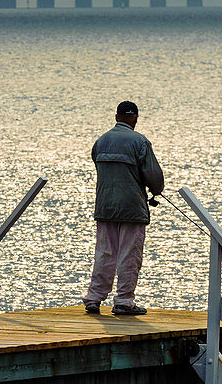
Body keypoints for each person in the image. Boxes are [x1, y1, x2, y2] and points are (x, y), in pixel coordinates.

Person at [82, 100, 165, 315]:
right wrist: (156, 191)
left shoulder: (101, 141)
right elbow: (153, 176)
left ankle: (94, 298)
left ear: (116, 117)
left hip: (105, 207)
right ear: (135, 118)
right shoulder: (140, 142)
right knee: (130, 255)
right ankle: (124, 301)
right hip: (132, 209)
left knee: (104, 253)